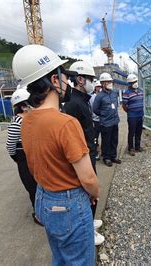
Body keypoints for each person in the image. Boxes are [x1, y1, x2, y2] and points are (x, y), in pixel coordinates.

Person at [12, 44, 100, 265]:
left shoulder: (27, 120)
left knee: (60, 257)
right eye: (64, 77)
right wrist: (94, 193)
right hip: (69, 202)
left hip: (44, 197)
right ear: (53, 81)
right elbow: (88, 178)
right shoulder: (65, 123)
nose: (67, 83)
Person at [66, 61, 104, 245]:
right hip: (83, 155)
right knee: (89, 191)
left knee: (90, 193)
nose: (92, 83)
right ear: (80, 80)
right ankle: (87, 231)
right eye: (90, 79)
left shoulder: (82, 100)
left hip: (89, 149)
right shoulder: (73, 104)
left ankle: (90, 221)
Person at [5, 86, 42, 226]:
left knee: (40, 186)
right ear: (23, 106)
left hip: (36, 156)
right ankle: (39, 214)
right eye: (29, 103)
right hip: (24, 157)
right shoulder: (17, 123)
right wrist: (17, 159)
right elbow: (10, 145)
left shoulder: (34, 120)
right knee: (33, 187)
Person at [92, 72, 121, 167]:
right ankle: (106, 158)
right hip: (105, 123)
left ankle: (113, 156)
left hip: (115, 121)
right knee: (106, 141)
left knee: (114, 140)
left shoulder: (114, 93)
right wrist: (104, 114)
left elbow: (116, 104)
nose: (110, 83)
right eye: (108, 82)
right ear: (103, 83)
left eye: (110, 81)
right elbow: (95, 109)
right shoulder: (99, 96)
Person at [122, 74, 144, 156]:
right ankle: (131, 148)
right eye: (133, 82)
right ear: (129, 84)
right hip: (132, 117)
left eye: (136, 81)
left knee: (139, 131)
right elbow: (124, 106)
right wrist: (130, 112)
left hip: (140, 115)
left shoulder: (140, 90)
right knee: (132, 132)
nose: (135, 83)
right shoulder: (126, 93)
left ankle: (137, 146)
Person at [90, 80, 103, 161]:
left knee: (104, 136)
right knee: (95, 137)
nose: (99, 88)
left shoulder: (103, 96)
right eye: (98, 87)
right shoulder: (92, 97)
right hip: (95, 120)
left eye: (100, 86)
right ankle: (96, 152)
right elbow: (91, 108)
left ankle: (104, 152)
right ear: (95, 88)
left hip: (103, 119)